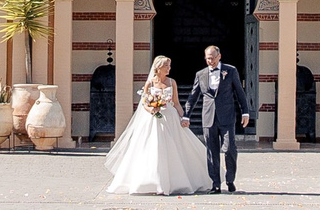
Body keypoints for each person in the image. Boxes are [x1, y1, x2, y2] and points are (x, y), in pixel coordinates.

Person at [102, 55, 211, 195]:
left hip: (170, 118)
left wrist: (184, 117)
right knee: (152, 147)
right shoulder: (150, 83)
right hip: (153, 119)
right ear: (158, 67)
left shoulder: (172, 82)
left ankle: (176, 181)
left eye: (169, 66)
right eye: (166, 66)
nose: (169, 68)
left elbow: (176, 103)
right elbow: (144, 103)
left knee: (174, 146)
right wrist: (151, 109)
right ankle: (151, 181)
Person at [186, 43, 252, 193]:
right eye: (208, 59)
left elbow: (240, 93)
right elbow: (193, 96)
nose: (210, 61)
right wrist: (186, 115)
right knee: (211, 151)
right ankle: (215, 183)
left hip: (227, 116)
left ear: (219, 56)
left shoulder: (231, 71)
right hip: (208, 118)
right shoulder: (200, 74)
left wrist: (245, 112)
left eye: (213, 58)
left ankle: (230, 179)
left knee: (229, 149)